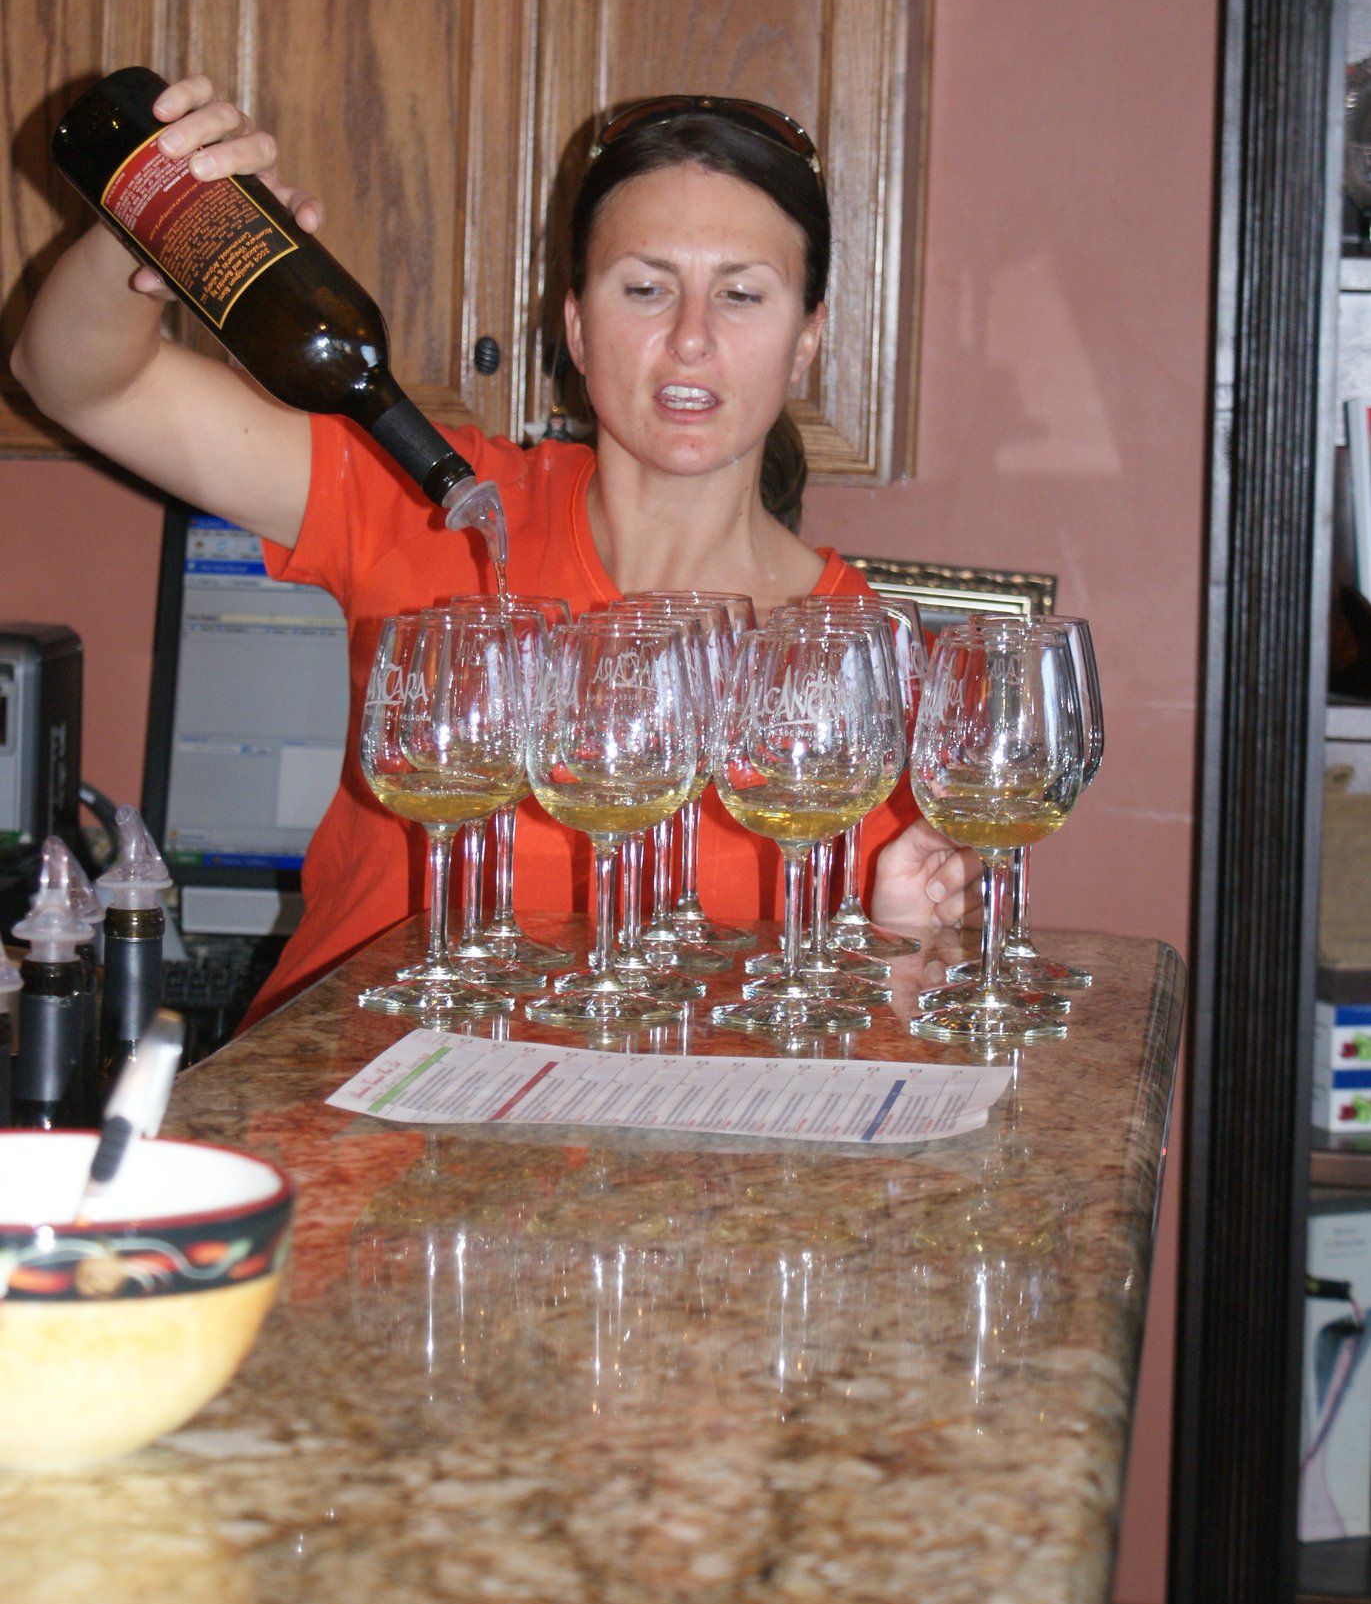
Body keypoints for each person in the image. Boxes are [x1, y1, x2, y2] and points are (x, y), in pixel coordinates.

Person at [12, 78, 978, 1021]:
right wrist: (148, 217)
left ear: (805, 342)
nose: (690, 340)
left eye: (742, 296)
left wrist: (900, 942)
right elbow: (82, 384)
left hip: (648, 1164)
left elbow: (857, 1007)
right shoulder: (441, 499)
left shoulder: (858, 659)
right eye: (645, 289)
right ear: (576, 329)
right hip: (351, 1124)